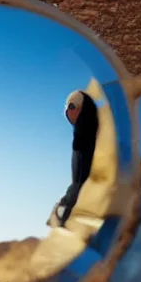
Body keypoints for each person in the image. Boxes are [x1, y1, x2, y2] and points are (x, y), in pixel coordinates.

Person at [53, 90, 99, 227]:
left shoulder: (92, 133)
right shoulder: (80, 135)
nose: (68, 113)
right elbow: (78, 178)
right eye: (66, 110)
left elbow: (84, 176)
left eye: (71, 107)